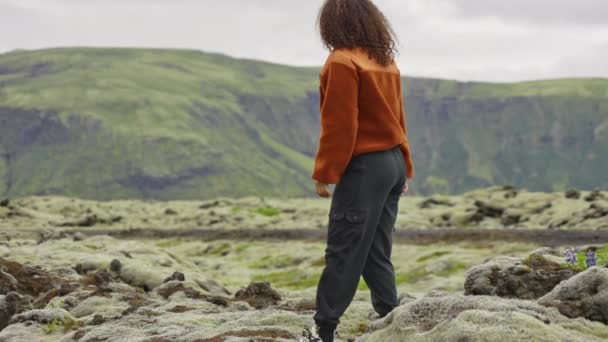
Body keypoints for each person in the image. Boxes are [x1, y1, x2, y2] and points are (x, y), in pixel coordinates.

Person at [301, 1, 415, 341]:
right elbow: (399, 118)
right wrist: (404, 166)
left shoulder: (342, 61)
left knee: (344, 248)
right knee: (376, 250)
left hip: (365, 167)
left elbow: (340, 125)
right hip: (392, 163)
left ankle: (323, 329)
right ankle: (391, 317)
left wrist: (326, 170)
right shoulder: (385, 61)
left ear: (332, 24)